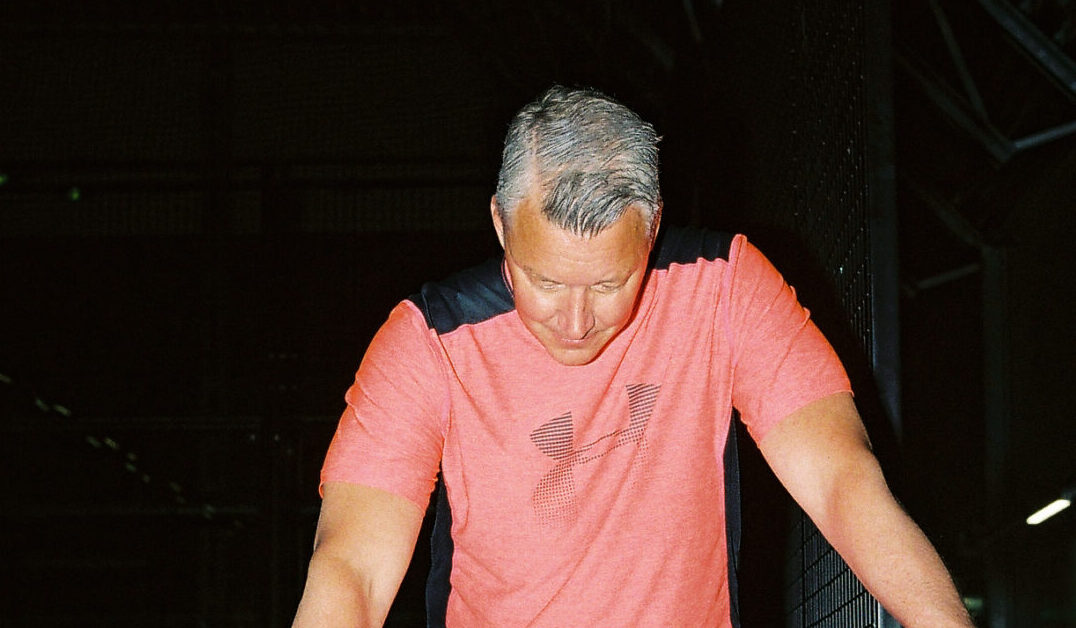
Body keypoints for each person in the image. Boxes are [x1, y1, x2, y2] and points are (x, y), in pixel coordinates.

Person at [292, 86, 972, 627]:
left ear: (651, 228)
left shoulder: (725, 287)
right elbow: (353, 567)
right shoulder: (428, 341)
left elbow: (841, 480)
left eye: (610, 283)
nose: (576, 322)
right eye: (545, 281)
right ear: (500, 223)